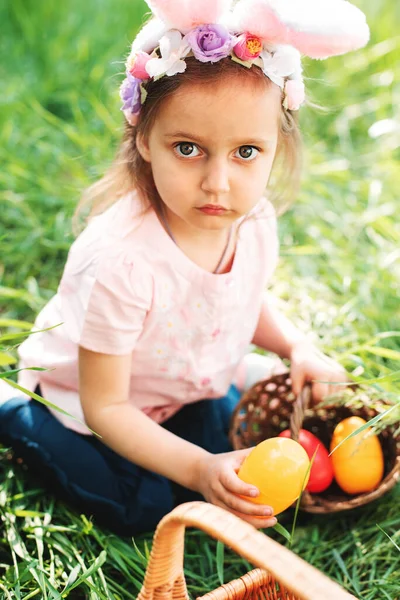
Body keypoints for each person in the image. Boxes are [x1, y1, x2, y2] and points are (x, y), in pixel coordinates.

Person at [0, 0, 369, 535]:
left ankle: (225, 394)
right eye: (189, 148)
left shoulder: (253, 219)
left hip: (176, 389)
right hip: (84, 407)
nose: (218, 183)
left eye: (245, 152)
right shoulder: (121, 262)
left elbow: (245, 296)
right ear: (144, 139)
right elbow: (107, 407)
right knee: (145, 510)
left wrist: (296, 346)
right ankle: (14, 412)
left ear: (275, 148)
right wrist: (196, 467)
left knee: (230, 454)